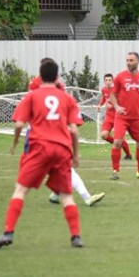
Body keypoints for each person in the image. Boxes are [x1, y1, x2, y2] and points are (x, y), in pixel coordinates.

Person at [0, 59, 85, 249]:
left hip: (39, 148)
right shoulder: (67, 99)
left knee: (20, 190)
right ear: (57, 76)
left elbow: (18, 124)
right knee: (66, 195)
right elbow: (74, 130)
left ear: (40, 76)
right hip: (61, 149)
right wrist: (75, 154)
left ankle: (8, 232)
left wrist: (16, 142)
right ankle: (76, 237)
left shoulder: (32, 96)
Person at [28, 59, 105, 207]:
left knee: (61, 168)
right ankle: (86, 197)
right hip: (43, 135)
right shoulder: (35, 85)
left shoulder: (58, 85)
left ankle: (57, 194)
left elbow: (62, 105)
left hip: (52, 133)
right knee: (63, 168)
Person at [109, 51, 139, 180]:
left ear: (138, 61)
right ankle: (115, 172)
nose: (129, 63)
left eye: (131, 60)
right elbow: (112, 94)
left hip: (137, 118)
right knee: (117, 142)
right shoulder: (119, 77)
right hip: (122, 117)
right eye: (127, 60)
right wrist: (116, 107)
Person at [98, 73, 132, 160]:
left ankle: (128, 154)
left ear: (112, 81)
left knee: (119, 138)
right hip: (109, 117)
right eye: (106, 80)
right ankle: (117, 143)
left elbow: (122, 103)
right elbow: (104, 98)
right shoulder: (104, 90)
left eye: (110, 80)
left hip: (118, 117)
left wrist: (112, 106)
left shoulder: (116, 91)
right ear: (104, 81)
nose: (108, 82)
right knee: (103, 135)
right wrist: (100, 104)